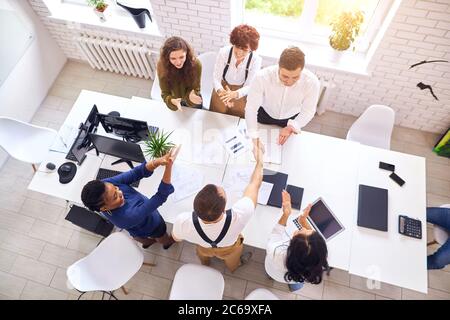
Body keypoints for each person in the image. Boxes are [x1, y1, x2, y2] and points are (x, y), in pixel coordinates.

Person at [171, 140, 265, 272]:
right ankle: (234, 267)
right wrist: (260, 162)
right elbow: (254, 185)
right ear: (224, 207)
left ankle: (206, 264)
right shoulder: (240, 214)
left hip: (204, 247)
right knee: (232, 261)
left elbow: (176, 238)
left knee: (203, 254)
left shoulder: (183, 220)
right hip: (229, 248)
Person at [80, 152, 176, 249]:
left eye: (116, 188)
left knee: (139, 237)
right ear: (104, 208)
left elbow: (136, 173)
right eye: (115, 197)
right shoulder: (128, 216)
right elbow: (160, 196)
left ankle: (148, 242)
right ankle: (166, 243)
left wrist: (157, 162)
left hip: (135, 230)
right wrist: (169, 167)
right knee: (160, 234)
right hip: (152, 225)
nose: (120, 192)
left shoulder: (105, 187)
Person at [245, 46, 320, 146]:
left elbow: (308, 110)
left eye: (295, 77)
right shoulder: (261, 77)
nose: (289, 81)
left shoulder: (312, 82)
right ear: (279, 67)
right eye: (285, 76)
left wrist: (292, 126)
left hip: (291, 119)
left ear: (302, 69)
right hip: (264, 115)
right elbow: (251, 109)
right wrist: (254, 137)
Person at [265, 190, 329, 292]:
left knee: (274, 273)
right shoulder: (316, 255)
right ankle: (294, 286)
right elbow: (311, 239)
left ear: (292, 246)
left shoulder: (276, 252)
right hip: (297, 278)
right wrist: (303, 221)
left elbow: (275, 234)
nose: (302, 229)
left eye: (300, 233)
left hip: (274, 271)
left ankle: (272, 278)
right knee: (296, 283)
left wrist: (286, 214)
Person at [210, 24, 262, 118]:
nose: (239, 52)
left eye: (244, 49)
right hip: (221, 90)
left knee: (236, 123)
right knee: (215, 119)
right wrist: (222, 93)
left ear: (251, 49)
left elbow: (250, 85)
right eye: (237, 47)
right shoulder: (224, 53)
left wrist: (235, 94)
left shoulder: (256, 60)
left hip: (241, 93)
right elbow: (216, 78)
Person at [157, 36, 203, 111]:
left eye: (181, 57)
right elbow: (165, 93)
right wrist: (172, 101)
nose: (178, 62)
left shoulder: (196, 64)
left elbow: (196, 88)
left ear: (187, 54)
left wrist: (191, 98)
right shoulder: (162, 65)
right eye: (173, 58)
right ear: (167, 58)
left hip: (192, 98)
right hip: (176, 99)